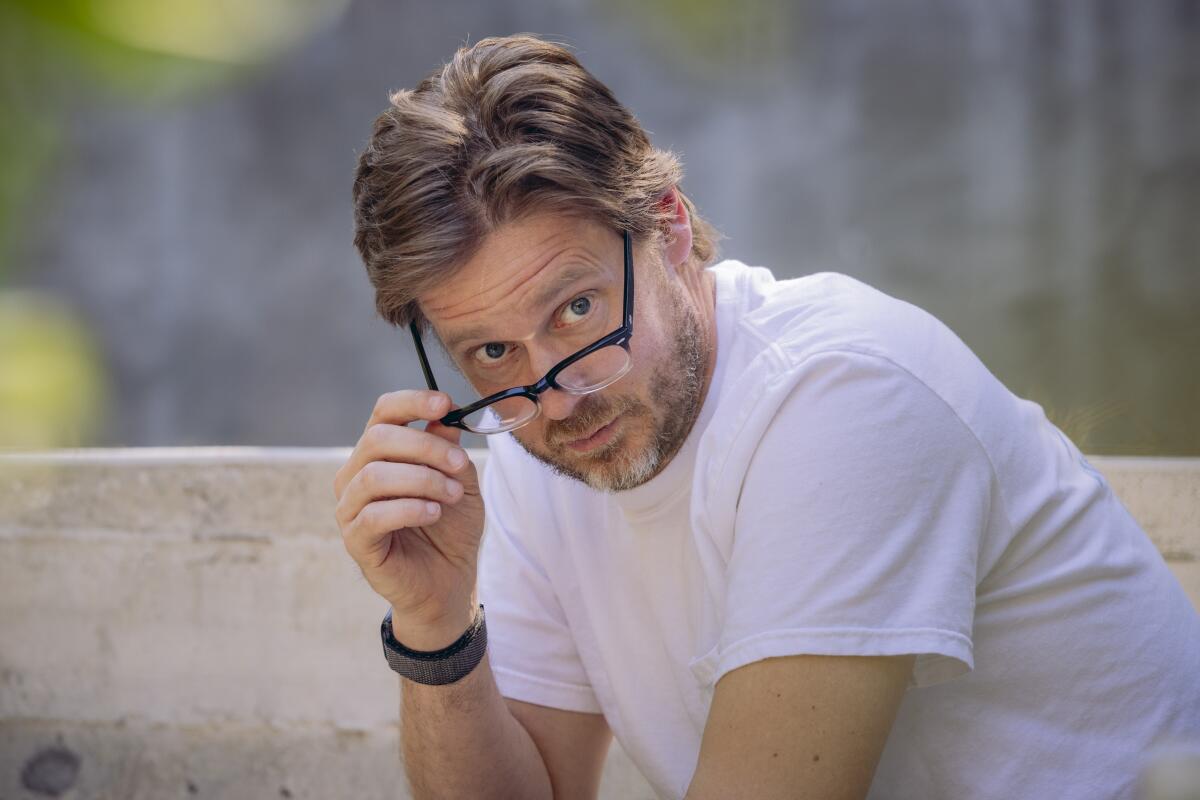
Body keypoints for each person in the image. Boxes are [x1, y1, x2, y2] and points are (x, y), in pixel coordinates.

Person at [333, 34, 1200, 800]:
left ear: (667, 229)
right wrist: (436, 625)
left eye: (578, 310)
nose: (553, 395)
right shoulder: (536, 435)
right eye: (490, 352)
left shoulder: (844, 396)